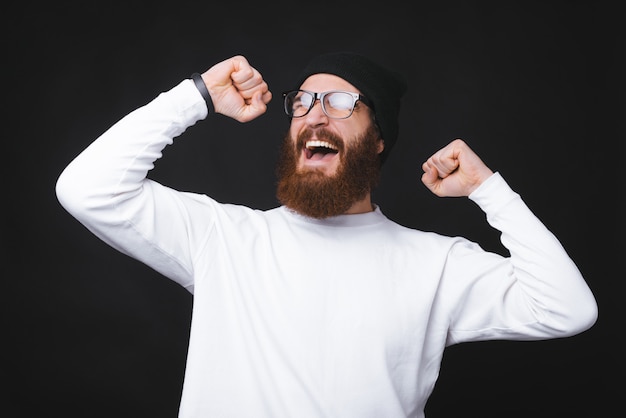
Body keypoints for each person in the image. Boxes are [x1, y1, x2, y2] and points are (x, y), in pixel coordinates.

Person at [55, 52, 598, 418]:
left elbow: (566, 309)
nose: (315, 115)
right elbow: (87, 188)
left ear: (377, 138)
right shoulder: (222, 238)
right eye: (303, 102)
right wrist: (195, 97)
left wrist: (488, 190)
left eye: (341, 104)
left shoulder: (437, 264)